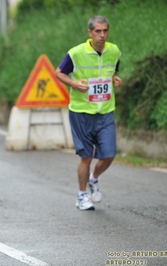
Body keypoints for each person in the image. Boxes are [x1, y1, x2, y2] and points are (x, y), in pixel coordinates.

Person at [55, 15, 122, 211]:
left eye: (105, 31)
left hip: (105, 111)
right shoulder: (76, 53)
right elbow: (58, 72)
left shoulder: (114, 51)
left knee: (109, 155)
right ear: (90, 33)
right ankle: (82, 195)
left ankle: (94, 178)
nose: (102, 35)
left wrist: (116, 80)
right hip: (81, 112)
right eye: (98, 31)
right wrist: (74, 84)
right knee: (86, 157)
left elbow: (113, 73)